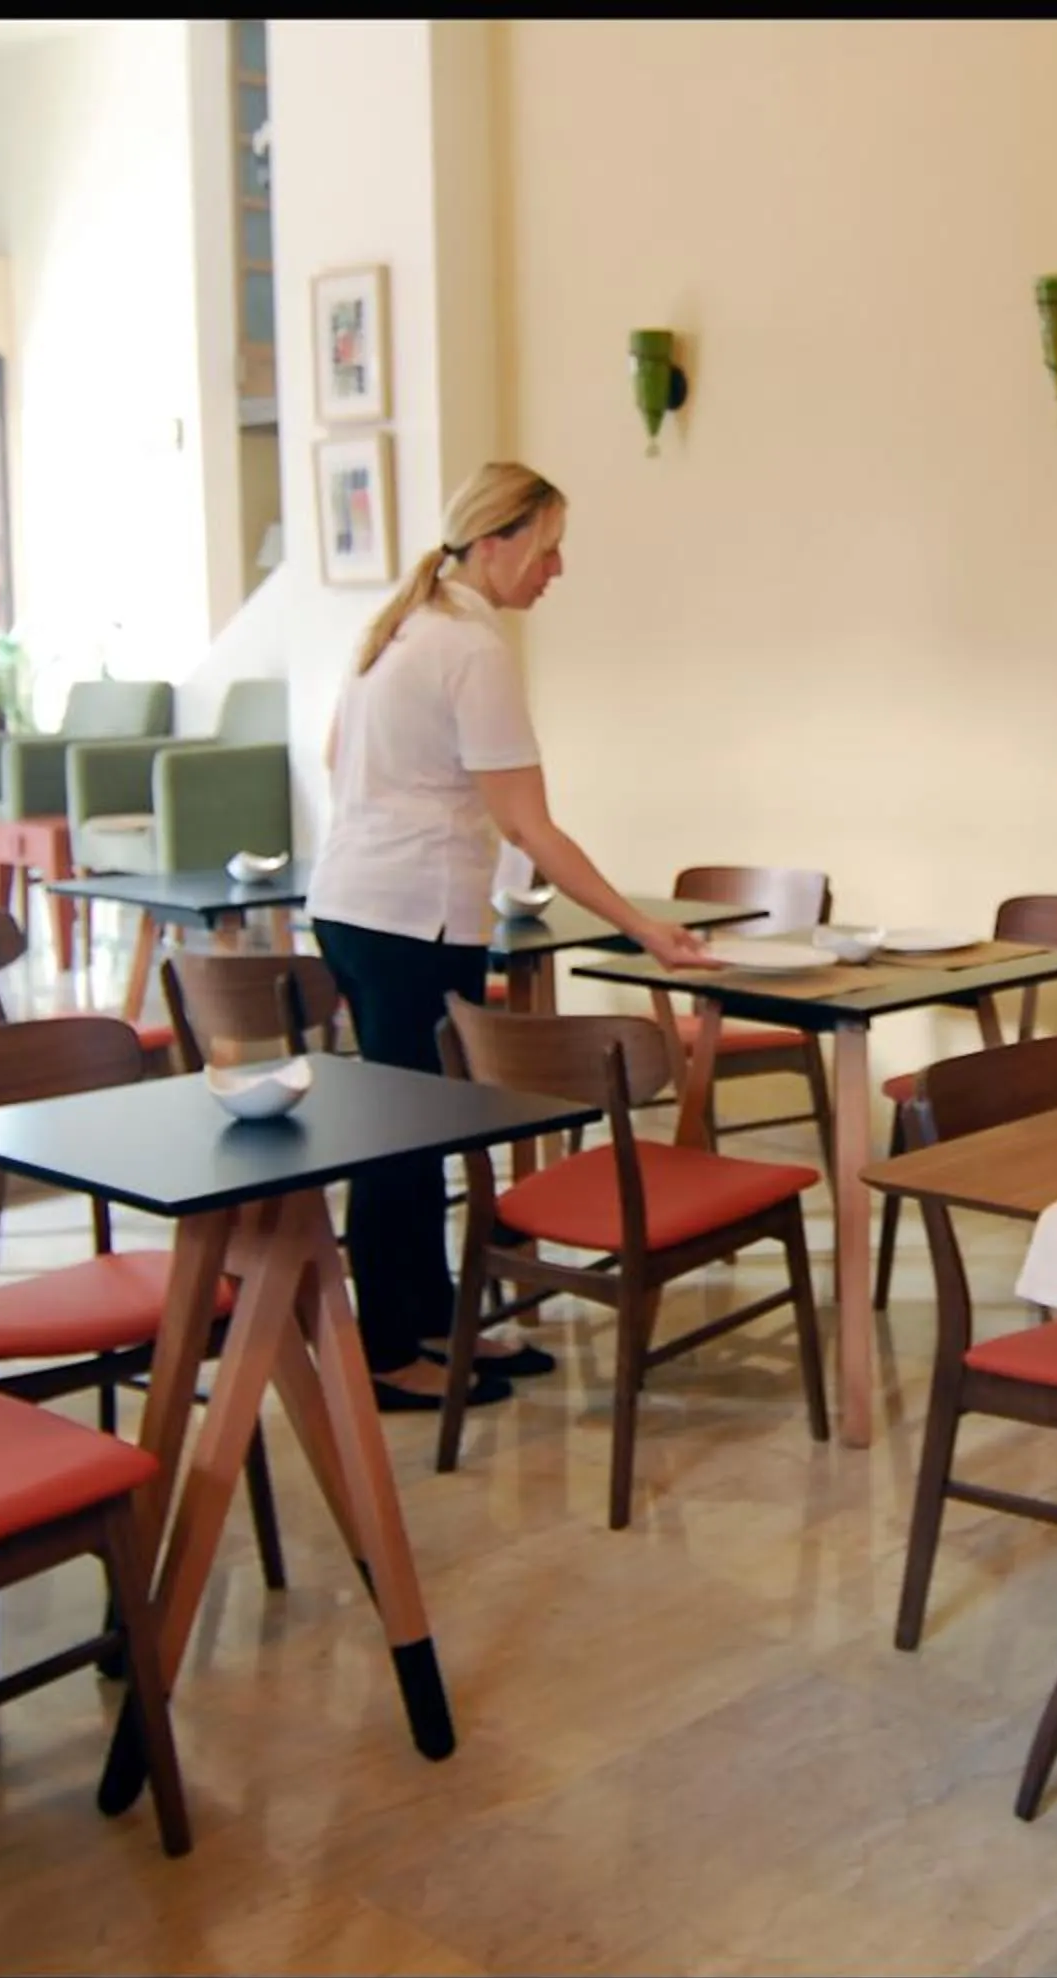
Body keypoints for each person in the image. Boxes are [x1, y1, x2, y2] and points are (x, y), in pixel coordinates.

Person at [307, 461, 720, 1412]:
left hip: (360, 906)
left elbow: (338, 756)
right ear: (495, 544)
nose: (558, 567)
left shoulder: (401, 628)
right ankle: (386, 1353)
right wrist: (644, 929)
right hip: (408, 916)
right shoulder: (468, 649)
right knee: (401, 1140)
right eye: (547, 546)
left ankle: (430, 1322)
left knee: (410, 1128)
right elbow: (533, 825)